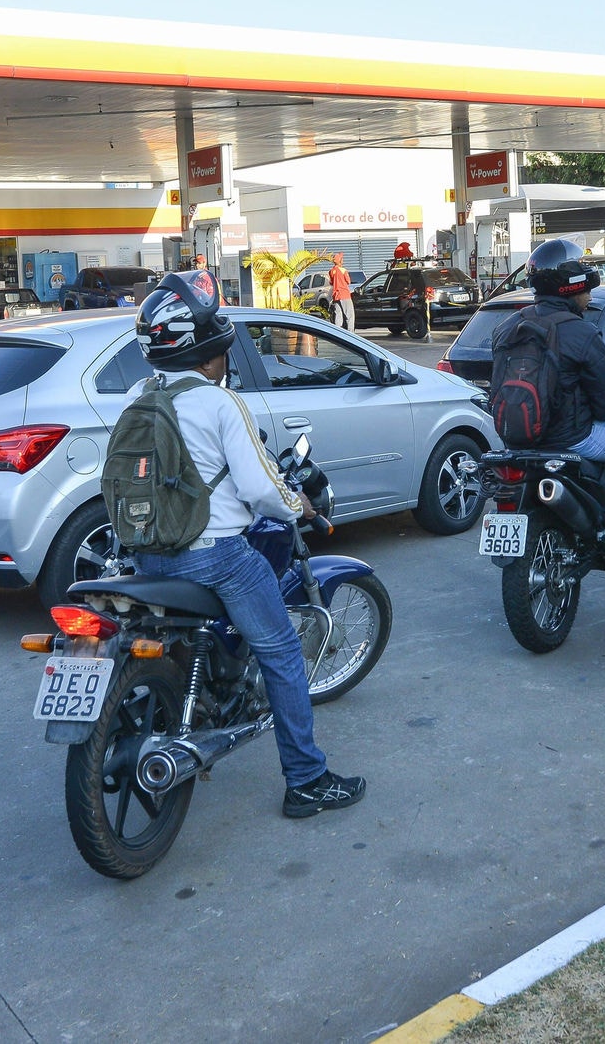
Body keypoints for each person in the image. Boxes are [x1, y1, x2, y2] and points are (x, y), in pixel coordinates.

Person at [125, 269, 366, 819]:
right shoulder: (219, 403)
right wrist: (297, 506)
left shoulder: (141, 397)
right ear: (208, 353)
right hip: (215, 557)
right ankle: (306, 780)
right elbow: (260, 488)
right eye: (222, 349)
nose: (225, 359)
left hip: (146, 554)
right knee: (281, 652)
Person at [489, 239, 605, 561]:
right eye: (586, 286)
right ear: (573, 287)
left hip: (517, 441)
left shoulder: (506, 327)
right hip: (573, 440)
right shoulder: (580, 332)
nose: (590, 296)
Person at [326, 252, 356, 331]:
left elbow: (331, 282)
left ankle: (338, 334)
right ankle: (351, 334)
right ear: (339, 261)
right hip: (344, 295)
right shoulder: (343, 270)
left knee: (338, 316)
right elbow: (348, 281)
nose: (343, 260)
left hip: (336, 296)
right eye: (342, 259)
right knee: (349, 316)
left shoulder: (331, 271)